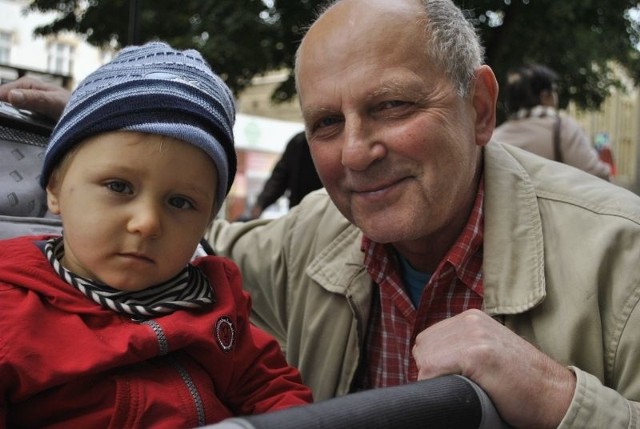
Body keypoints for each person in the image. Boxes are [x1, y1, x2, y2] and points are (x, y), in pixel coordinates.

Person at [3, 2, 640, 427]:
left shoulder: (624, 258)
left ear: (479, 108)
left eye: (392, 105)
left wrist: (559, 396)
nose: (357, 152)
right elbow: (187, 237)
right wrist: (112, 132)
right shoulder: (310, 234)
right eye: (327, 123)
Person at [0, 42, 312, 428]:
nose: (147, 223)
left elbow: (269, 388)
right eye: (118, 186)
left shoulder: (216, 301)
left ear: (208, 221)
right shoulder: (11, 311)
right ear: (54, 188)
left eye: (180, 202)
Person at [492, 63, 611, 180]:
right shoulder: (563, 128)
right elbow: (596, 174)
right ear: (545, 96)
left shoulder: (495, 137)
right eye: (555, 91)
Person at [249, 131, 322, 219]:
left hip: (327, 212)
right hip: (298, 212)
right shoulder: (297, 142)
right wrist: (260, 204)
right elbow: (278, 179)